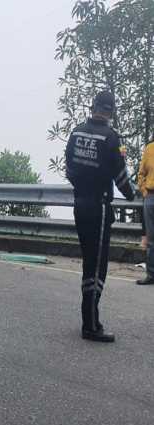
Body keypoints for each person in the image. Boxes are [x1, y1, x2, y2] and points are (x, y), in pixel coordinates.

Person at [65, 91, 136, 342]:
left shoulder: (76, 133)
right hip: (99, 206)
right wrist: (132, 195)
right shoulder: (110, 138)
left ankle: (88, 319)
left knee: (88, 261)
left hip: (79, 204)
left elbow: (69, 169)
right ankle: (91, 325)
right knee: (96, 267)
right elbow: (121, 178)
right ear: (111, 111)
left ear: (93, 106)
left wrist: (82, 186)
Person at [136, 138, 154, 285]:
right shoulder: (149, 148)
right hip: (151, 196)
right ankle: (151, 274)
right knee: (151, 239)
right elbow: (141, 173)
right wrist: (144, 191)